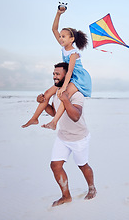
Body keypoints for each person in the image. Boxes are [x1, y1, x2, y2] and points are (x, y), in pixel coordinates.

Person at [22, 6, 92, 129]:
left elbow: (70, 71)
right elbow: (54, 29)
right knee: (47, 93)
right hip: (68, 76)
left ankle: (54, 122)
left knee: (64, 95)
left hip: (78, 78)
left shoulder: (73, 53)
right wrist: (58, 13)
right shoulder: (64, 47)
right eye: (60, 36)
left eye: (63, 36)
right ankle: (34, 118)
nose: (60, 38)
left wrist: (64, 87)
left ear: (72, 39)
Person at [38, 62, 96, 207]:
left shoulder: (77, 95)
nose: (54, 76)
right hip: (62, 137)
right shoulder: (56, 94)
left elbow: (75, 116)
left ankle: (92, 188)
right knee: (55, 166)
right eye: (53, 74)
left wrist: (65, 100)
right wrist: (44, 103)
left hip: (79, 138)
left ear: (67, 76)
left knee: (83, 165)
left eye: (58, 74)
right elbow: (54, 112)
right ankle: (66, 196)